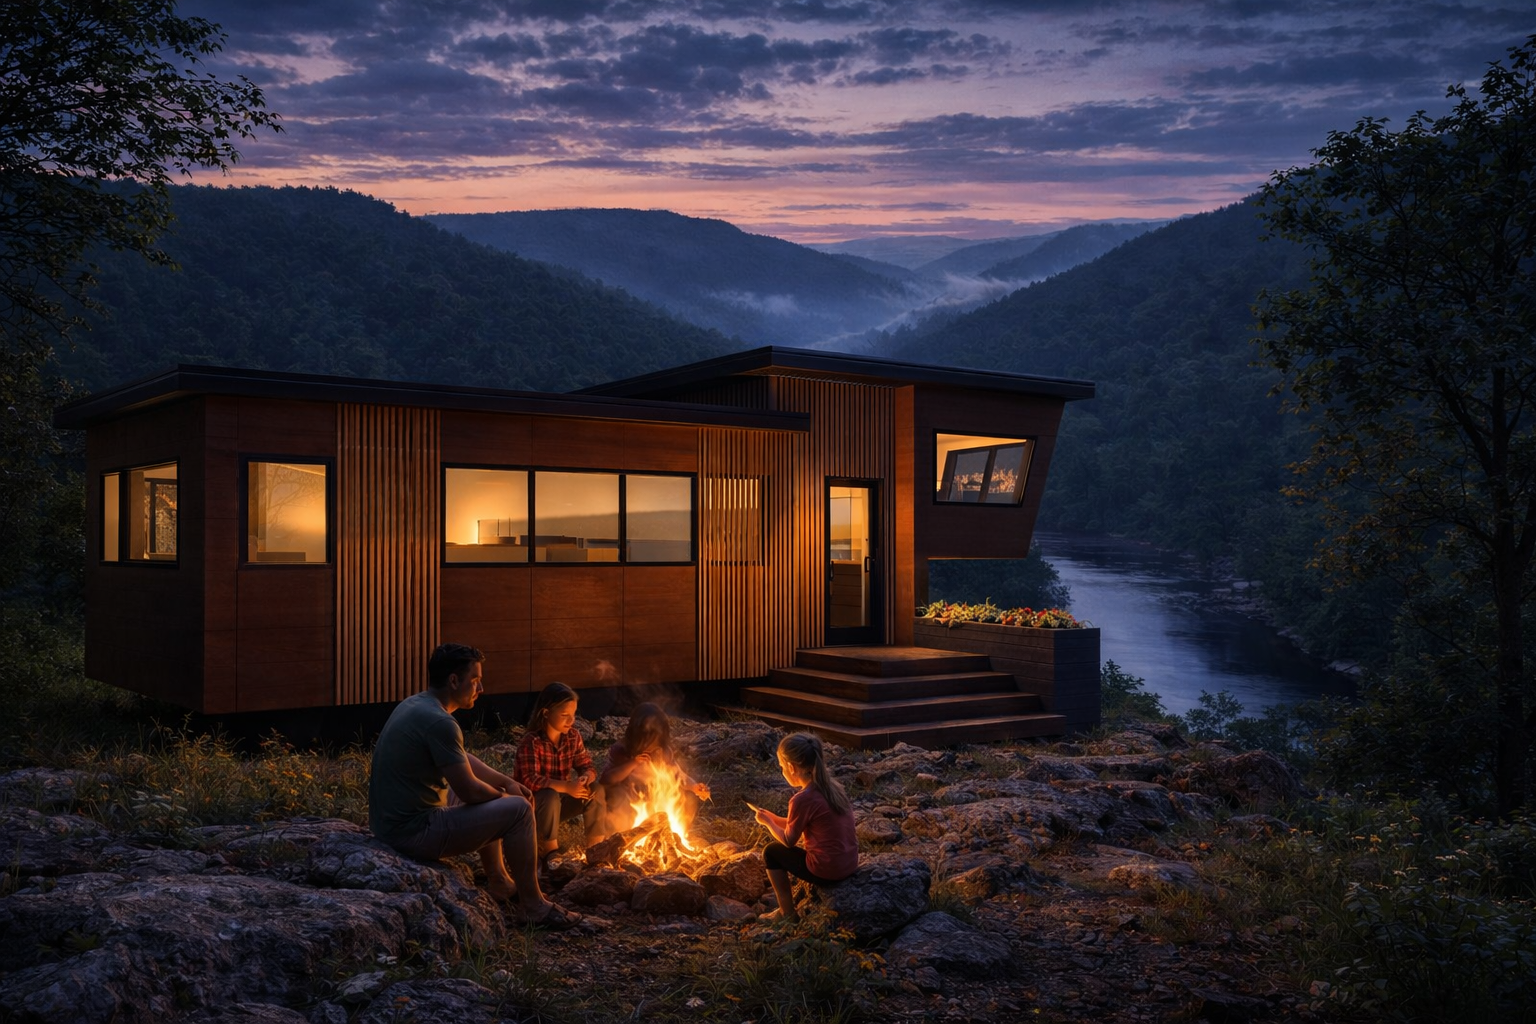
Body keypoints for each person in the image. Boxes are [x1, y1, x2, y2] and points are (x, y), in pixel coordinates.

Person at [368, 643, 580, 930]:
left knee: (491, 795)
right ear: (454, 680)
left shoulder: (417, 704)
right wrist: (505, 797)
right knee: (516, 809)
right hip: (413, 832)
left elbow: (459, 759)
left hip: (390, 824)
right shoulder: (440, 721)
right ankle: (533, 905)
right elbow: (469, 792)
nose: (480, 689)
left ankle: (500, 881)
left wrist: (506, 782)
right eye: (475, 681)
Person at [753, 731, 859, 923]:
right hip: (849, 865)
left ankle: (786, 913)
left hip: (827, 872)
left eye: (781, 767)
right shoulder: (831, 788)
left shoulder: (802, 799)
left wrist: (767, 823)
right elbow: (801, 823)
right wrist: (773, 817)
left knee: (771, 852)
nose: (782, 771)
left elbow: (788, 840)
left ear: (791, 767)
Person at [513, 681, 604, 861]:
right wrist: (566, 787)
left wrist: (586, 777)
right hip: (534, 806)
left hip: (560, 804)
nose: (571, 720)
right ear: (546, 713)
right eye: (564, 715)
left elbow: (587, 765)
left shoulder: (572, 737)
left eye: (573, 714)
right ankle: (550, 853)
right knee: (550, 795)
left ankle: (596, 850)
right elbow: (530, 780)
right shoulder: (531, 742)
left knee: (596, 790)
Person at [596, 702, 711, 839]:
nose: (651, 745)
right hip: (626, 804)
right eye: (647, 738)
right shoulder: (621, 750)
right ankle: (621, 838)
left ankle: (676, 836)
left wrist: (694, 786)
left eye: (657, 739)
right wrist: (633, 763)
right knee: (617, 796)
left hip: (655, 800)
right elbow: (606, 780)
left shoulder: (663, 752)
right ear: (636, 736)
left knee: (687, 797)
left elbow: (677, 774)